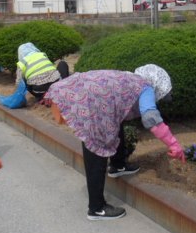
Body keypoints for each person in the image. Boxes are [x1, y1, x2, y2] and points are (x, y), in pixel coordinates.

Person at [44, 64, 186, 221]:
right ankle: (96, 208)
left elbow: (118, 111)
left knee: (114, 123)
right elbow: (151, 117)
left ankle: (118, 165)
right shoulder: (146, 88)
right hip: (87, 103)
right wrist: (173, 144)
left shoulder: (129, 79)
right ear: (158, 85)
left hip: (73, 92)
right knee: (97, 146)